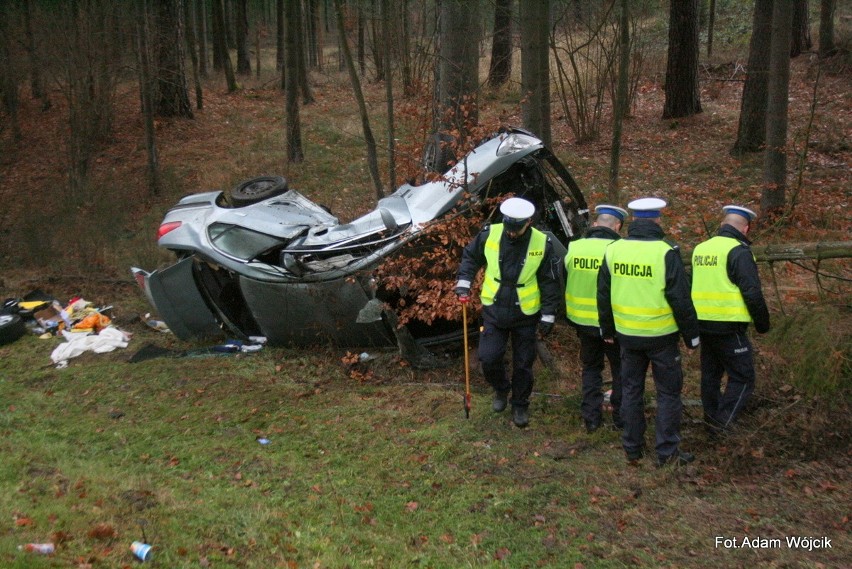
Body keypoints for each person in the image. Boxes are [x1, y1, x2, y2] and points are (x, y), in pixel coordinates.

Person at [597, 197, 700, 467]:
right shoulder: (665, 251)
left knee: (631, 390)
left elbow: (603, 294)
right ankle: (667, 452)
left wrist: (607, 328)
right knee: (668, 394)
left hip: (627, 336)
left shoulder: (614, 250)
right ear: (657, 220)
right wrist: (692, 335)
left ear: (632, 221)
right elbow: (680, 297)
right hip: (661, 336)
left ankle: (632, 447)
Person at [455, 197, 562, 428]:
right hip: (494, 309)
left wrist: (548, 313)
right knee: (489, 358)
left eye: (517, 228)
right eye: (509, 228)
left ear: (529, 222)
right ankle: (502, 390)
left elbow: (550, 281)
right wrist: (464, 282)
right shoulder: (489, 234)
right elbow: (470, 257)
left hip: (526, 313)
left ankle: (520, 404)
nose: (511, 233)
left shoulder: (542, 243)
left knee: (524, 363)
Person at [691, 205, 770, 435]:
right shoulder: (738, 251)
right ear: (745, 228)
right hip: (729, 326)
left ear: (723, 224)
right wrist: (762, 324)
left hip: (703, 324)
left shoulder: (701, 249)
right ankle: (722, 424)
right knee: (744, 377)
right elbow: (752, 292)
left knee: (711, 376)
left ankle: (711, 421)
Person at [564, 204, 627, 433]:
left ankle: (591, 418)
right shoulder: (620, 249)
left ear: (594, 224)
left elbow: (565, 278)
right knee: (620, 370)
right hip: (612, 324)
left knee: (591, 368)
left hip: (582, 323)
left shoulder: (575, 247)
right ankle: (621, 418)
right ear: (617, 226)